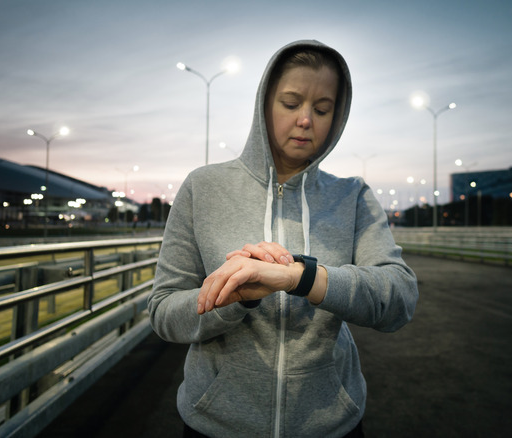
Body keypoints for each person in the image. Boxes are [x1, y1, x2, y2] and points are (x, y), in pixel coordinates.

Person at [148, 39, 419, 438]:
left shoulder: (352, 196)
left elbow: (398, 298)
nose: (306, 119)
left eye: (322, 109)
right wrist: (235, 295)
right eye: (291, 103)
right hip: (217, 424)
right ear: (264, 106)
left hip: (329, 424)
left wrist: (301, 278)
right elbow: (164, 312)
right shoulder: (203, 188)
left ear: (337, 116)